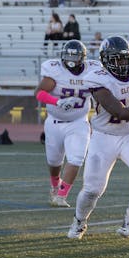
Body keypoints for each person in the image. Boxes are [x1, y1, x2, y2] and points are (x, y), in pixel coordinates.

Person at [67, 37, 129, 240]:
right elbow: (119, 111)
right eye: (117, 60)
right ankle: (79, 221)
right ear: (106, 61)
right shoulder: (97, 78)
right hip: (103, 137)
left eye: (125, 59)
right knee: (92, 190)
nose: (123, 65)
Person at [35, 41, 101, 208]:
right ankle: (54, 186)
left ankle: (61, 196)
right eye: (68, 57)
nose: (70, 61)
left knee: (77, 158)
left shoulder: (93, 70)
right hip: (54, 122)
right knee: (54, 161)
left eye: (75, 57)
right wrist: (57, 102)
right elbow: (39, 93)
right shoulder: (55, 70)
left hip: (79, 122)